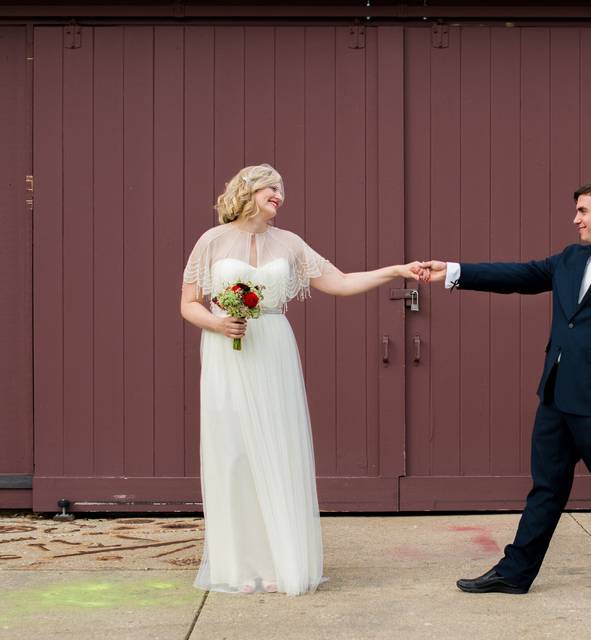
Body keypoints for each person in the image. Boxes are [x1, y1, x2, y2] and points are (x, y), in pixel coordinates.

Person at [180, 164, 424, 595]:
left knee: (277, 447)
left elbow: (342, 281)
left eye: (282, 189)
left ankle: (281, 561)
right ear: (248, 190)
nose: (280, 195)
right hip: (225, 349)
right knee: (232, 451)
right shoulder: (211, 241)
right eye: (271, 187)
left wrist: (395, 271)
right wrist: (218, 325)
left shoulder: (289, 244)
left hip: (271, 346)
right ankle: (239, 565)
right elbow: (189, 304)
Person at [420, 180, 591, 596]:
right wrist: (454, 272)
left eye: (583, 211)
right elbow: (520, 275)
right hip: (556, 394)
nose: (576, 219)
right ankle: (515, 572)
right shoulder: (571, 259)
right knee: (547, 486)